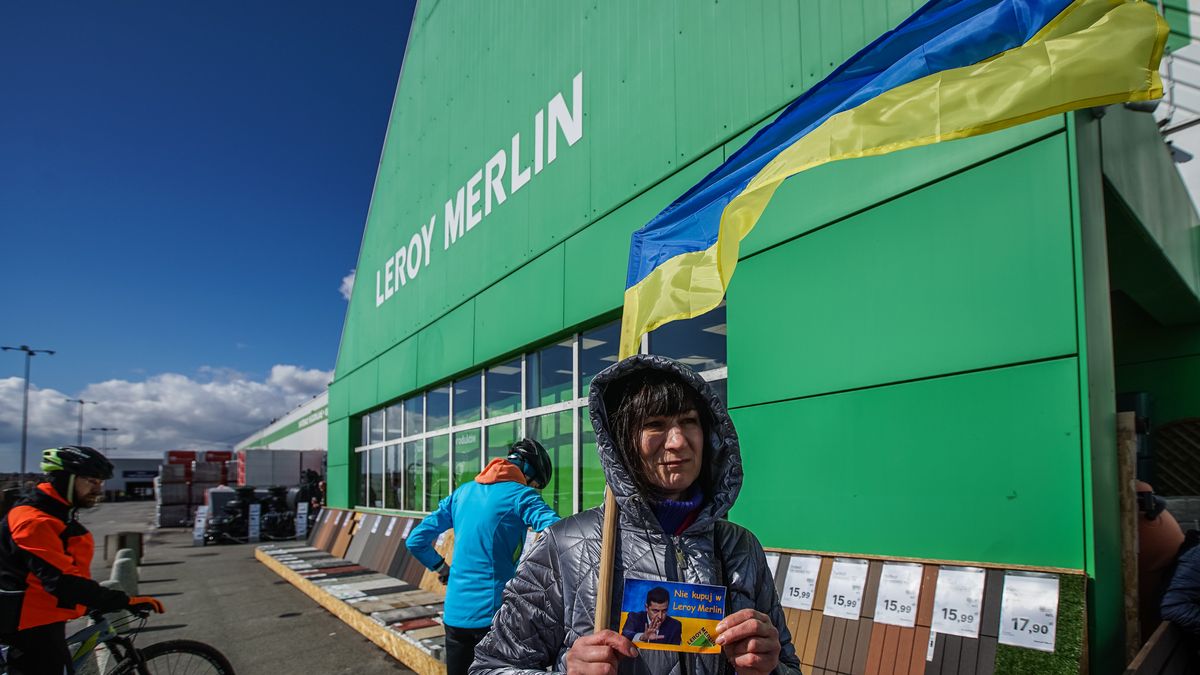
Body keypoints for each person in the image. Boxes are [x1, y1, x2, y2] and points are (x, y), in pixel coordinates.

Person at [472, 355, 801, 675]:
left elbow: (788, 667)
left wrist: (768, 668)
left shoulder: (739, 547)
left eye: (689, 421)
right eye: (655, 425)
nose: (678, 441)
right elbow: (490, 667)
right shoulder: (566, 546)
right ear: (624, 443)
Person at [0, 446, 165, 675]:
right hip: (28, 626)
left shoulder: (55, 512)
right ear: (66, 479)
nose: (98, 489)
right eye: (91, 481)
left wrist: (89, 601)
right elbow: (60, 581)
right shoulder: (35, 521)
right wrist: (123, 601)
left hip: (41, 616)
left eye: (100, 482)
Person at [407, 439, 561, 675]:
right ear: (529, 472)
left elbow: (415, 540)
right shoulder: (521, 495)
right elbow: (559, 532)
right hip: (495, 618)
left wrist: (441, 567)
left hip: (455, 616)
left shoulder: (462, 493)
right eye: (536, 483)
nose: (535, 488)